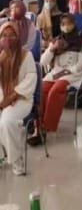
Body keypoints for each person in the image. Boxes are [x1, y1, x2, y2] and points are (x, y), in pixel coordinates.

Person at [39, 14, 82, 135]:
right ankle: (38, 124)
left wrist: (67, 71)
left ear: (74, 24)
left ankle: (48, 125)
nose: (66, 26)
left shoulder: (81, 41)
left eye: (69, 23)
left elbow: (81, 64)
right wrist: (52, 49)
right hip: (55, 73)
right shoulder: (56, 40)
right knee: (41, 89)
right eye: (63, 24)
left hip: (72, 74)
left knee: (56, 90)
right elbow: (43, 62)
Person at [0, 22, 37, 175]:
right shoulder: (1, 57)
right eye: (4, 36)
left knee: (6, 122)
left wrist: (12, 95)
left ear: (18, 37)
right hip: (3, 98)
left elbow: (31, 78)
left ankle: (16, 159)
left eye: (12, 35)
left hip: (22, 98)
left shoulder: (26, 55)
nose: (8, 39)